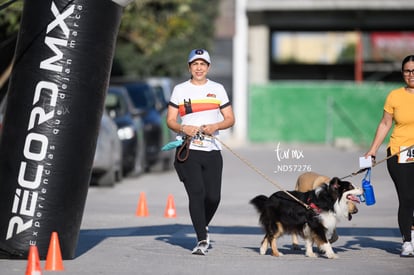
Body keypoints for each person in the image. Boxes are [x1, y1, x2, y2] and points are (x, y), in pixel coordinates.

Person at [166, 49, 235, 255]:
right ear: (189, 67)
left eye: (202, 64)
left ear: (208, 67)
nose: (198, 68)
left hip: (212, 150)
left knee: (213, 197)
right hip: (188, 150)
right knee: (197, 194)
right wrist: (182, 128)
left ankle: (201, 224)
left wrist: (216, 126)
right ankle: (201, 239)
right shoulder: (180, 90)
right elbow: (170, 120)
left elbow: (230, 119)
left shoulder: (218, 89)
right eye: (194, 64)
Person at [365, 55, 414, 257]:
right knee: (407, 198)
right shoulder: (394, 96)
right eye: (407, 71)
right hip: (399, 154)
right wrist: (373, 150)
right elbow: (385, 124)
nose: (411, 75)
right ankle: (407, 242)